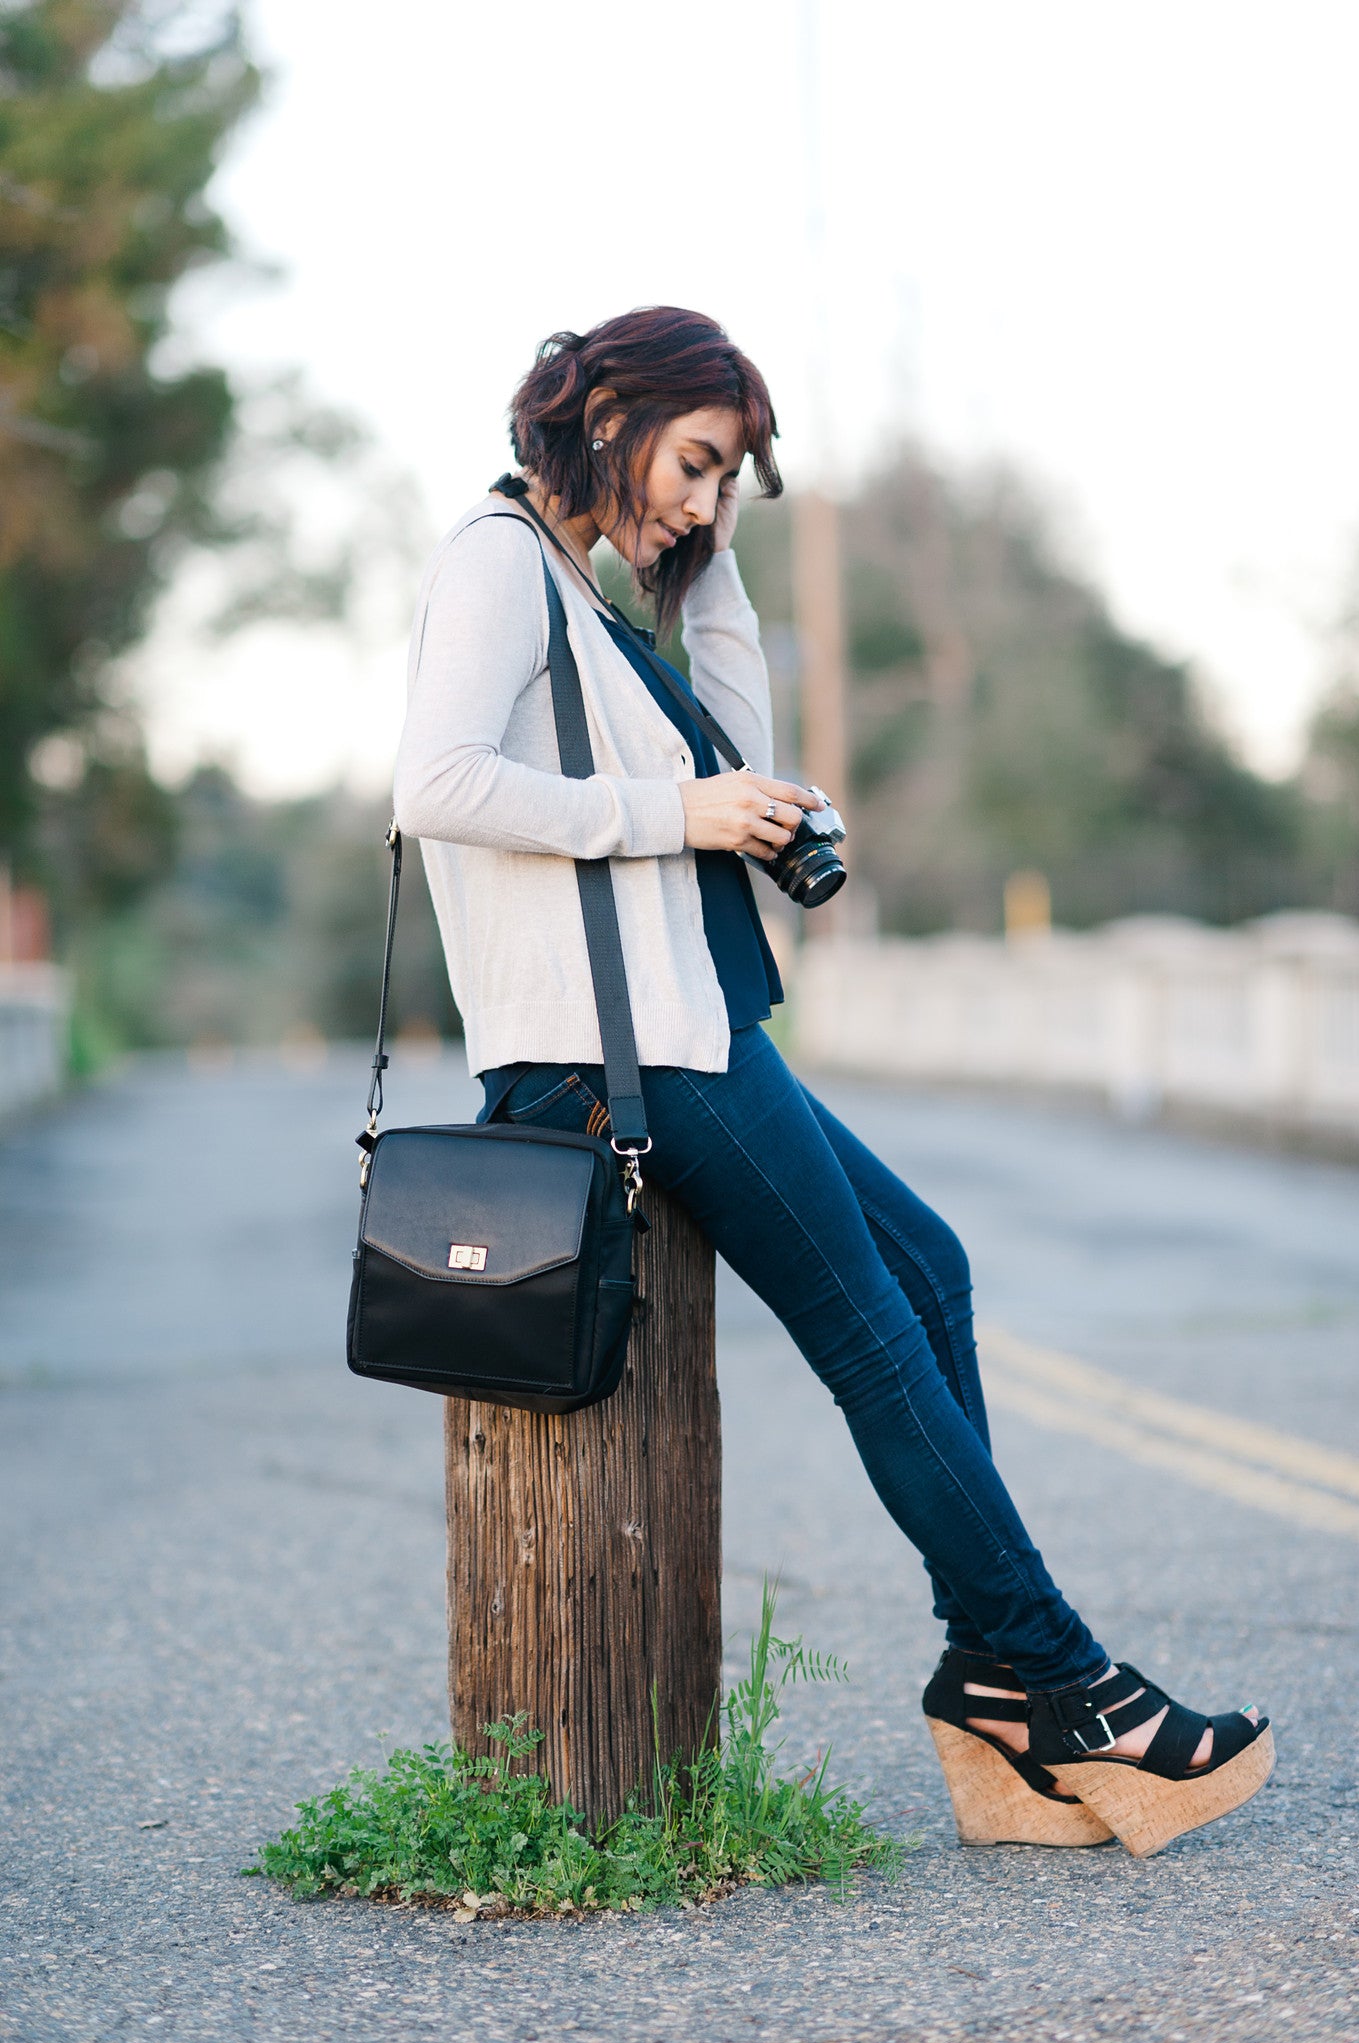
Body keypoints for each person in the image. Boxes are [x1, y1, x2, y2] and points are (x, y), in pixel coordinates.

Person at [392, 305, 1272, 1858]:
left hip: (692, 1023)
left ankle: (993, 1677)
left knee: (929, 1267)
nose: (709, 500)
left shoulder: (603, 596)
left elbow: (734, 748)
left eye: (735, 481)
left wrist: (706, 577)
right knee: (877, 1338)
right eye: (698, 463)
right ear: (607, 412)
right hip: (618, 1049)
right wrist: (679, 813)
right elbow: (437, 784)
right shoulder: (494, 559)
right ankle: (1065, 1685)